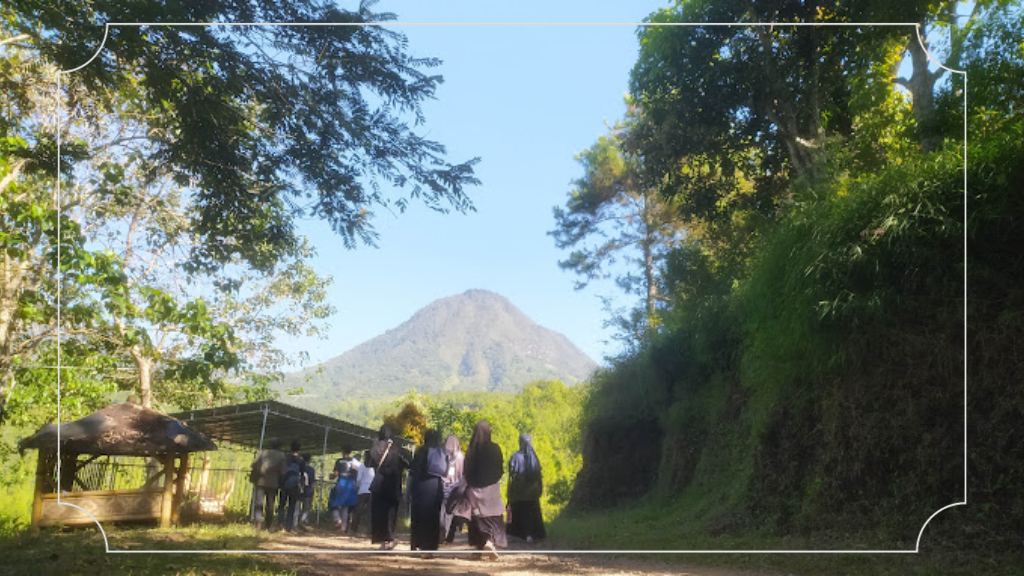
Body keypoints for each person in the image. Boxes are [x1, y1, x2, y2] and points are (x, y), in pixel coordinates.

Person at [463, 421, 506, 559]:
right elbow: (500, 469)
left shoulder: (472, 449)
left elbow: (467, 470)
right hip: (492, 488)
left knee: (476, 519)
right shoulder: (495, 448)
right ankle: (490, 541)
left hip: (474, 489)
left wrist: (471, 484)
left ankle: (478, 548)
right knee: (493, 517)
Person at [367, 424, 408, 550]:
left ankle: (380, 539)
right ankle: (389, 538)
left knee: (379, 513)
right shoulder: (399, 450)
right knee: (391, 513)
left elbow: (367, 463)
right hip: (393, 485)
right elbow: (409, 463)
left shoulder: (374, 448)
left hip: (378, 485)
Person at [409, 429, 447, 553]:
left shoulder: (420, 451)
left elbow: (413, 471)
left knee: (418, 515)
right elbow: (445, 472)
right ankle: (430, 546)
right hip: (436, 485)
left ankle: (416, 542)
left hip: (420, 485)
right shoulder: (441, 452)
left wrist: (408, 491)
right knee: (433, 516)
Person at [505, 433, 546, 543]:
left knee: (520, 512)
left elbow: (511, 476)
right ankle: (533, 534)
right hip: (532, 493)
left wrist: (509, 493)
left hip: (518, 493)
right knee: (531, 512)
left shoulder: (515, 457)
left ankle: (519, 534)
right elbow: (539, 476)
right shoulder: (535, 458)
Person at [250, 438, 286, 530]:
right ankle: (268, 524)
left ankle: (258, 523)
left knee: (259, 503)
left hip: (261, 481)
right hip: (273, 483)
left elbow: (253, 464)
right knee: (270, 504)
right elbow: (283, 471)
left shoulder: (263, 453)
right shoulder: (281, 455)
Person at [440, 433, 468, 544]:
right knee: (451, 513)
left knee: (442, 511)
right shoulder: (461, 457)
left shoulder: (442, 455)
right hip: (456, 488)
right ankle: (448, 535)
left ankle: (441, 532)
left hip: (442, 486)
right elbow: (464, 475)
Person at [276, 440, 305, 532]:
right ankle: (288, 527)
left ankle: (280, 523)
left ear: (290, 448)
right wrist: (302, 487)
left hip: (284, 484)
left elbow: (280, 470)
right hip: (295, 485)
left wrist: (280, 483)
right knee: (291, 506)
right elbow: (302, 474)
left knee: (281, 505)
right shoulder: (301, 460)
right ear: (299, 450)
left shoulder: (285, 458)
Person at [329, 448, 359, 532]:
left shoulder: (339, 461)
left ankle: (337, 519)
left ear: (343, 452)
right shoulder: (353, 462)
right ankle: (343, 528)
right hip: (351, 485)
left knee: (334, 503)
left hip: (341, 483)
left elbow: (335, 474)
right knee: (346, 506)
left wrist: (331, 476)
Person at [352, 449, 374, 535]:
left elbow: (359, 479)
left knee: (358, 511)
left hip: (362, 490)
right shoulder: (375, 467)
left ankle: (354, 529)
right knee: (370, 512)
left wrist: (357, 486)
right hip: (372, 490)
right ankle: (370, 530)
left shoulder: (362, 466)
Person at [299, 452, 316, 530]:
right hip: (308, 490)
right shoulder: (311, 470)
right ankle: (303, 520)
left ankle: (296, 522)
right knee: (306, 508)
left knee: (297, 507)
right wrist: (313, 492)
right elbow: (312, 482)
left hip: (299, 489)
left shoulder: (299, 467)